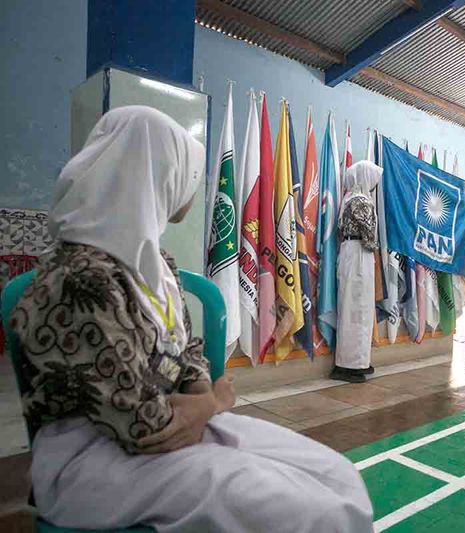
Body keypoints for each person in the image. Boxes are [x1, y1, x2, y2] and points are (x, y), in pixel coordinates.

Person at [10, 106, 373, 532]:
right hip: (96, 460)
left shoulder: (154, 262)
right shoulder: (79, 280)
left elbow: (188, 348)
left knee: (334, 476)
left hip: (178, 423)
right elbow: (143, 427)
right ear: (156, 175)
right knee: (306, 511)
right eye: (185, 172)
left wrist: (199, 392)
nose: (191, 186)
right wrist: (213, 402)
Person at [330, 161, 382, 384]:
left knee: (351, 309)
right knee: (358, 310)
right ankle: (350, 366)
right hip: (360, 254)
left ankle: (355, 361)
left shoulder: (349, 199)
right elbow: (370, 238)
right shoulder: (362, 202)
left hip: (350, 253)